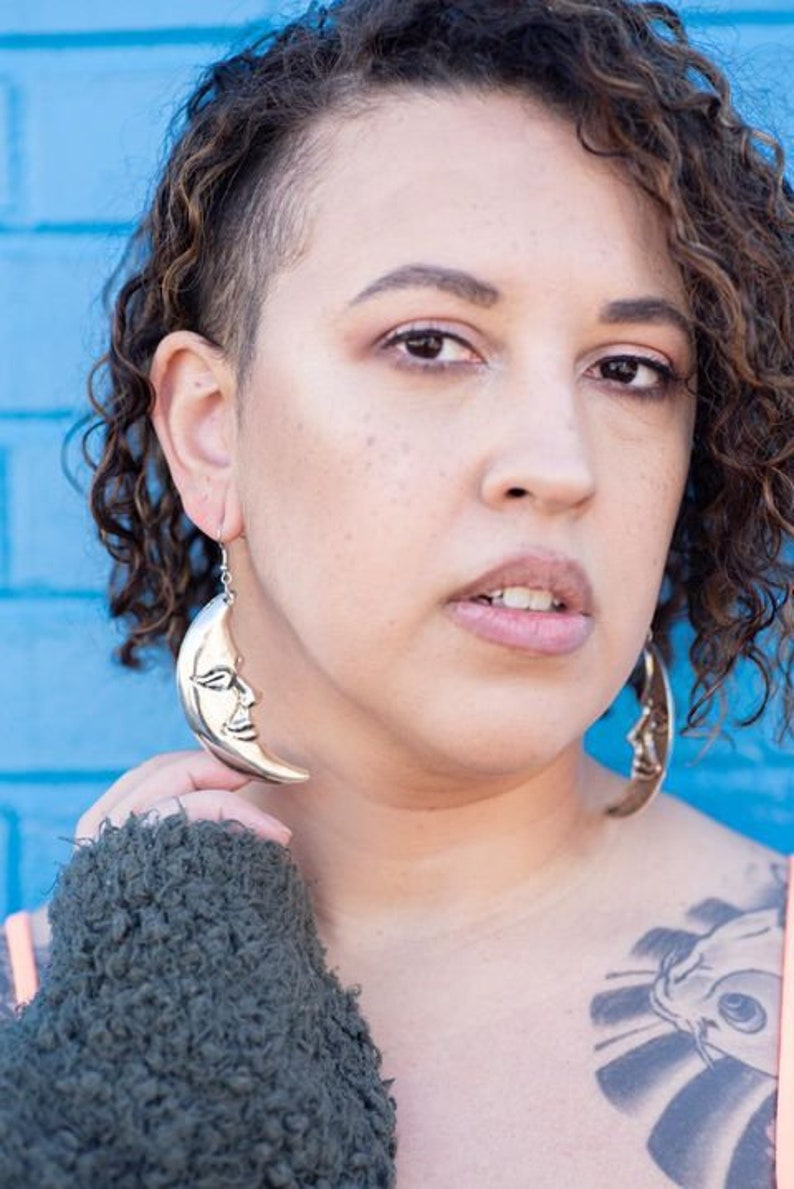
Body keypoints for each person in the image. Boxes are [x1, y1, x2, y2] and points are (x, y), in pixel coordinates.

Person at [1, 0, 793, 1184]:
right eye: (429, 344)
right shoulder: (34, 1031)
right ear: (213, 435)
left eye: (629, 371)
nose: (557, 462)